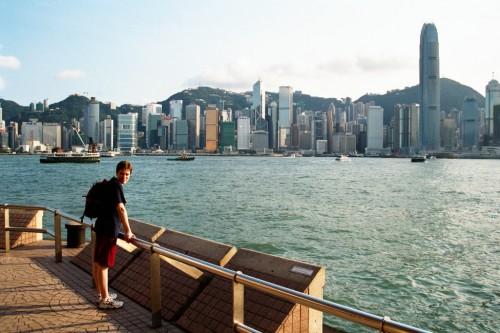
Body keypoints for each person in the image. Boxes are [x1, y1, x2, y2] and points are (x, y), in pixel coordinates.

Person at [92, 160, 135, 309]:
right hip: (109, 230)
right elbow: (121, 209)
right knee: (104, 265)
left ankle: (100, 294)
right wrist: (128, 230)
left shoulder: (109, 184)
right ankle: (105, 300)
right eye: (122, 174)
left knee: (98, 262)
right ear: (117, 173)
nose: (124, 177)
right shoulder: (116, 186)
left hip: (100, 226)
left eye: (127, 174)